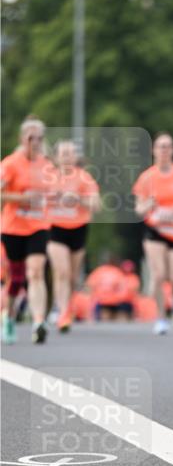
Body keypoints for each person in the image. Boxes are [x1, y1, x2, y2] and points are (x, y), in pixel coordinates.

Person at [132, 132, 173, 334]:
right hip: (155, 230)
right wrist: (148, 205)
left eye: (168, 146)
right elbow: (138, 209)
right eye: (160, 146)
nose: (164, 150)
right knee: (159, 275)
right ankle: (161, 318)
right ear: (154, 150)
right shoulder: (146, 177)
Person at [0, 117, 52, 344]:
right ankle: (8, 316)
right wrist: (21, 198)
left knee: (36, 272)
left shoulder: (46, 165)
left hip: (39, 226)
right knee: (17, 278)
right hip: (13, 228)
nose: (36, 142)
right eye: (31, 138)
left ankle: (38, 321)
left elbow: (53, 192)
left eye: (39, 138)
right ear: (23, 139)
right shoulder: (10, 164)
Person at [46, 140, 100, 332]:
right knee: (62, 272)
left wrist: (78, 200)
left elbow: (96, 205)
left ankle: (64, 308)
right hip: (54, 227)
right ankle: (62, 313)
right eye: (63, 154)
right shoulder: (48, 177)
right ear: (56, 157)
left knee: (72, 277)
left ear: (76, 157)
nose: (67, 157)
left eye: (70, 154)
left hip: (78, 228)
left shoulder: (84, 178)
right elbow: (35, 200)